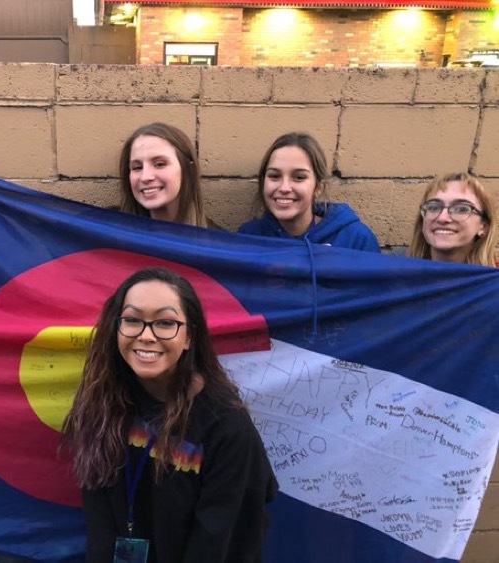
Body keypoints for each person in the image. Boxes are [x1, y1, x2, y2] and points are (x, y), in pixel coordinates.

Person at [61, 267, 277, 562]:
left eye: (165, 323)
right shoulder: (102, 404)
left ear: (189, 337)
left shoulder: (226, 426)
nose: (146, 336)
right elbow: (101, 527)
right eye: (133, 320)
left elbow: (216, 544)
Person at [238, 132, 380, 251]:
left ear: (319, 188)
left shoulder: (355, 239)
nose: (284, 188)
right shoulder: (248, 238)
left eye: (299, 177)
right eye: (274, 176)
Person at [118, 122, 219, 228]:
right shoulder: (110, 229)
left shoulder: (216, 242)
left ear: (186, 169)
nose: (145, 177)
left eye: (160, 164)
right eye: (137, 167)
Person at [408, 172, 497, 266]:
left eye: (461, 209)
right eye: (433, 207)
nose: (442, 218)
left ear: (484, 227)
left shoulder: (494, 279)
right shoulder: (399, 276)